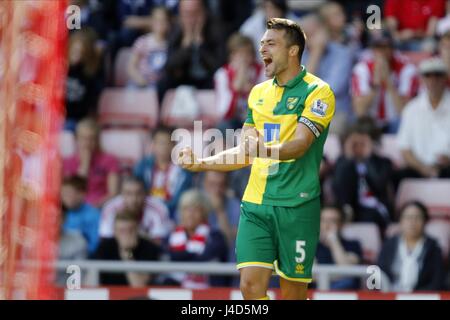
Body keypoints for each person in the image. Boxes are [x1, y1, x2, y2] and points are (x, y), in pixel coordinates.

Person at [178, 18, 336, 300]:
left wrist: (262, 149)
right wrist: (201, 162)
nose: (262, 48)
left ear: (293, 50)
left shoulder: (318, 91)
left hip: (297, 206)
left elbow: (300, 145)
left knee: (293, 294)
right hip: (256, 204)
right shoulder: (257, 94)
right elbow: (244, 152)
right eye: (262, 43)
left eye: (271, 43)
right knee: (249, 287)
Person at [332, 117, 394, 233]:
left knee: (368, 218)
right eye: (355, 143)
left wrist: (368, 158)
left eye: (364, 143)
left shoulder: (384, 163)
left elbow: (379, 185)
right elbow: (338, 188)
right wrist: (349, 159)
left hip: (374, 209)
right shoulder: (342, 162)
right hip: (349, 207)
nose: (359, 147)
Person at [395, 57, 450, 185]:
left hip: (447, 168)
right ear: (422, 79)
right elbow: (405, 148)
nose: (433, 80)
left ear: (445, 78)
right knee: (395, 177)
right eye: (428, 75)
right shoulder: (411, 109)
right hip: (419, 168)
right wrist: (422, 168)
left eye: (438, 75)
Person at [351, 30, 419, 133]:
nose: (382, 52)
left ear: (392, 48)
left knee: (405, 123)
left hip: (396, 121)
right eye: (378, 47)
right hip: (370, 122)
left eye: (385, 47)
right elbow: (360, 111)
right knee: (358, 123)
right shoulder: (362, 69)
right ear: (373, 49)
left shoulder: (407, 69)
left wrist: (388, 82)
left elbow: (404, 111)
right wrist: (375, 84)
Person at [158, 0, 225, 94]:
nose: (191, 19)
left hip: (208, 79)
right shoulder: (176, 30)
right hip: (185, 79)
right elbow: (169, 67)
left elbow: (219, 67)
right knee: (163, 82)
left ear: (203, 12)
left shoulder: (215, 29)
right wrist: (186, 45)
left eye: (195, 13)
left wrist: (200, 45)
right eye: (187, 14)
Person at [378, 201, 445, 291]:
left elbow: (437, 281)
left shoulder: (434, 248)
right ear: (400, 221)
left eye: (417, 218)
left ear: (425, 222)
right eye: (408, 218)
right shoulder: (388, 245)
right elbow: (378, 276)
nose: (412, 222)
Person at [166, 189, 228, 288]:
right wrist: (192, 256)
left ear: (204, 213)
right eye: (186, 209)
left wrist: (182, 257)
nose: (190, 214)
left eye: (196, 209)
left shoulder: (215, 237)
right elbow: (168, 257)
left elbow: (205, 258)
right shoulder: (171, 236)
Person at [134, 125, 192, 217]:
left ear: (174, 145)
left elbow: (180, 199)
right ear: (153, 145)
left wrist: (161, 210)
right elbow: (136, 191)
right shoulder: (142, 166)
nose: (163, 147)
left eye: (166, 143)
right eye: (159, 143)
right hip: (144, 211)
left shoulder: (184, 171)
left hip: (172, 213)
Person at [94, 210, 161, 287]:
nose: (126, 235)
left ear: (137, 230)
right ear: (114, 231)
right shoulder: (105, 247)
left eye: (130, 230)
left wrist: (127, 253)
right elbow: (92, 278)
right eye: (122, 231)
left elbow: (139, 285)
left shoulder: (149, 248)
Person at [63, 118, 120, 207]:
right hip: (75, 208)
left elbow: (113, 193)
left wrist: (94, 207)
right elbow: (71, 193)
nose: (87, 143)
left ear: (97, 140)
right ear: (77, 139)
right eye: (84, 138)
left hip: (101, 207)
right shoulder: (67, 162)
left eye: (91, 138)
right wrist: (85, 166)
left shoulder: (110, 160)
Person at [99, 176, 173, 245]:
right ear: (122, 194)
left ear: (145, 194)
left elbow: (158, 243)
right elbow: (105, 240)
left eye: (138, 193)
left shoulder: (158, 209)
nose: (134, 199)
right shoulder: (110, 209)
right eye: (128, 193)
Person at [214, 33, 264, 131]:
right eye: (240, 54)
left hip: (255, 119)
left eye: (248, 53)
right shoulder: (222, 74)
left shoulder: (262, 70)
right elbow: (224, 112)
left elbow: (264, 104)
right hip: (232, 120)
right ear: (231, 56)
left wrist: (250, 89)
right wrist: (237, 87)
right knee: (222, 126)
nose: (244, 58)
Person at [315, 206, 363, 289]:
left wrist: (333, 241)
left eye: (332, 221)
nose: (327, 225)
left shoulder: (353, 245)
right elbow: (311, 275)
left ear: (341, 224)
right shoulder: (311, 246)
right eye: (323, 220)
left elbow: (346, 271)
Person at [65, 28, 104, 131]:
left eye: (81, 52)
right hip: (57, 116)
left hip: (77, 119)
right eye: (75, 51)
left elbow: (92, 99)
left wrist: (99, 58)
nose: (78, 55)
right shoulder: (58, 68)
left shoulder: (89, 73)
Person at [201, 171, 240, 261]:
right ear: (204, 184)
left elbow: (230, 240)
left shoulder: (234, 204)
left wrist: (220, 211)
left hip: (226, 260)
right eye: (212, 184)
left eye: (221, 185)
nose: (217, 190)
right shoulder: (195, 202)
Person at [127, 6, 170, 87]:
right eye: (156, 20)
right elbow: (131, 67)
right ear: (151, 22)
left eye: (163, 20)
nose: (160, 23)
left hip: (159, 85)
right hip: (139, 83)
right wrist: (140, 80)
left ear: (169, 23)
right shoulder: (142, 41)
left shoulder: (170, 44)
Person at [61, 176, 100, 255]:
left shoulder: (93, 215)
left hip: (83, 258)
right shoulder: (59, 213)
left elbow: (94, 244)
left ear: (81, 194)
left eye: (68, 193)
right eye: (63, 194)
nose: (64, 197)